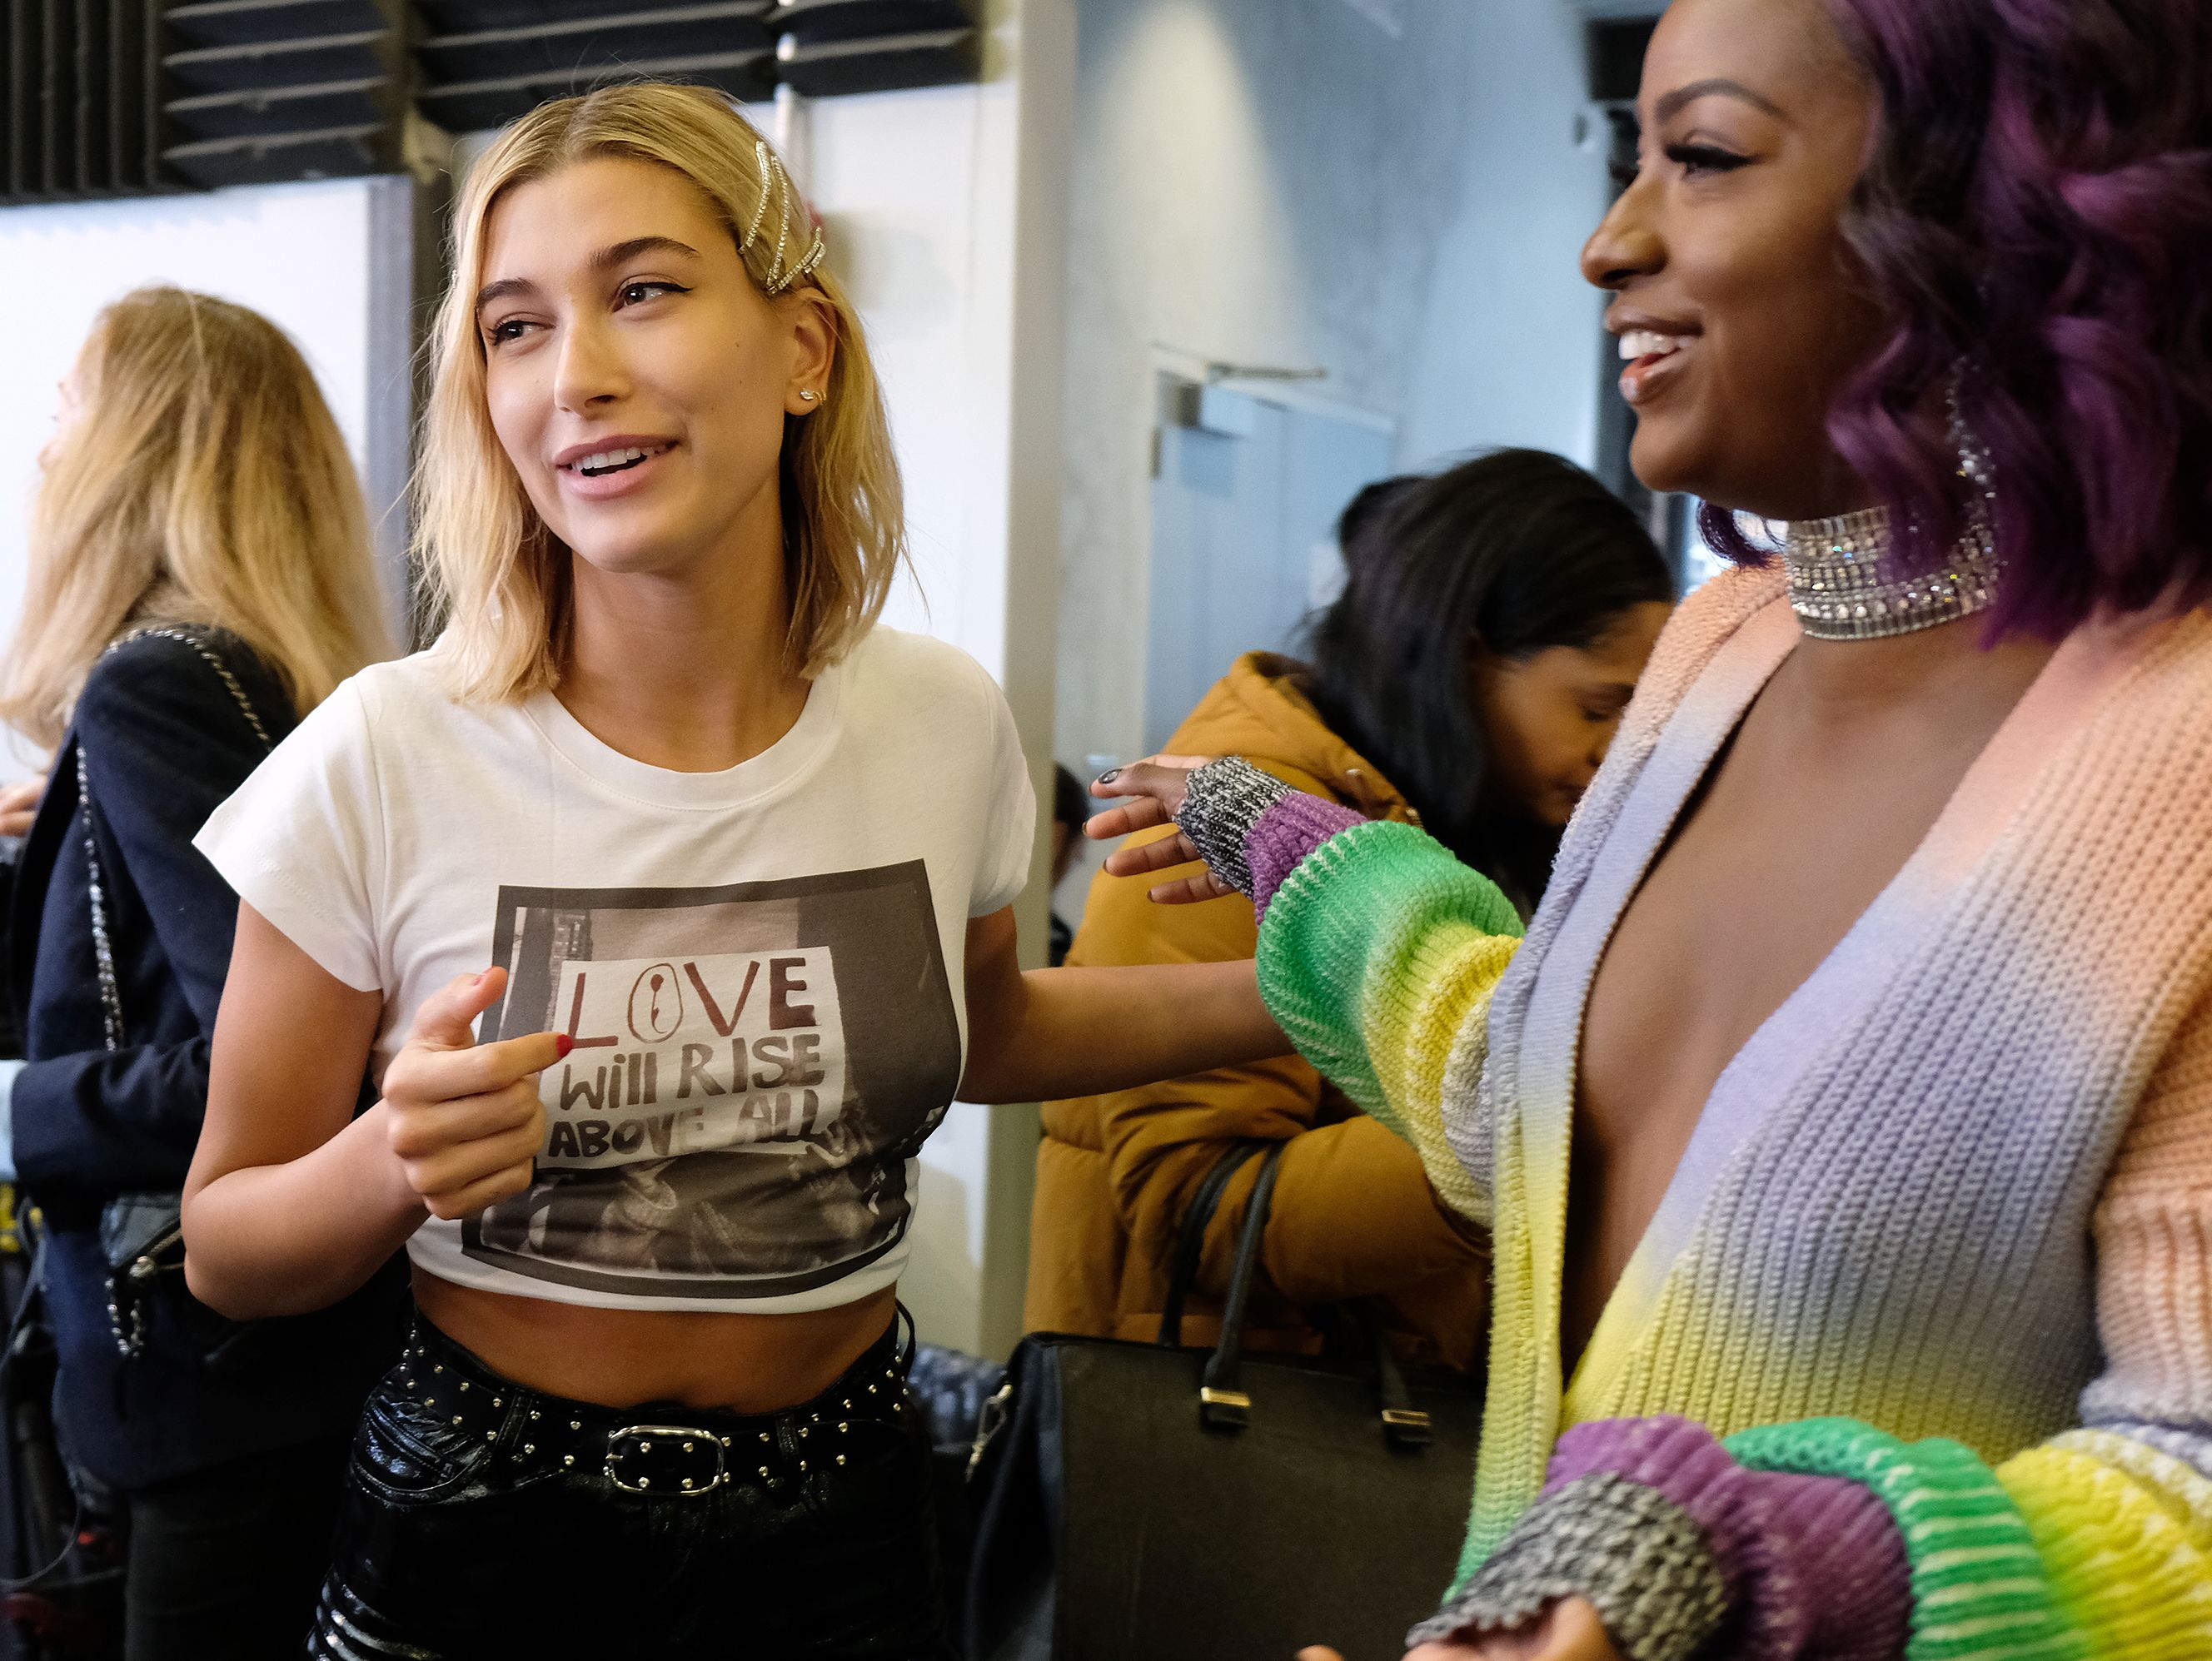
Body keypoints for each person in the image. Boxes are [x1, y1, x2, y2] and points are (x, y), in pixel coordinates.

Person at [1093, 0, 2212, 1654]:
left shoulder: (2174, 751)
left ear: (1985, 211)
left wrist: (1752, 1558)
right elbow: (1531, 1101)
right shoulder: (1712, 655)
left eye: (1697, 156)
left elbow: (2185, 1484)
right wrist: (1312, 863)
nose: (1605, 244)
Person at [175, 85, 1285, 1659]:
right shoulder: (388, 751)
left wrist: (1320, 992)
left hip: (850, 1522)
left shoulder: (939, 717)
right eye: (513, 327)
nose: (580, 377)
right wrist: (386, 1163)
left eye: (643, 291)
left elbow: (990, 1030)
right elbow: (226, 1248)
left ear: (804, 349)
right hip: (482, 1532)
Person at [1028, 452, 1671, 1372]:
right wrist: (1490, 1139)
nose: (1616, 752)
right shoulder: (1244, 810)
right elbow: (1195, 1207)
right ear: (1468, 654)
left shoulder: (1480, 813)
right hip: (1246, 1423)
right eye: (1598, 706)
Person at [0, 287, 403, 1659]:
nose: (46, 449)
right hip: (284, 1373)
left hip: (206, 1380)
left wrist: (19, 1111)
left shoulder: (156, 685)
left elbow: (286, 1061)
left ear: (137, 447)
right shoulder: (285, 683)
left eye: (69, 408)